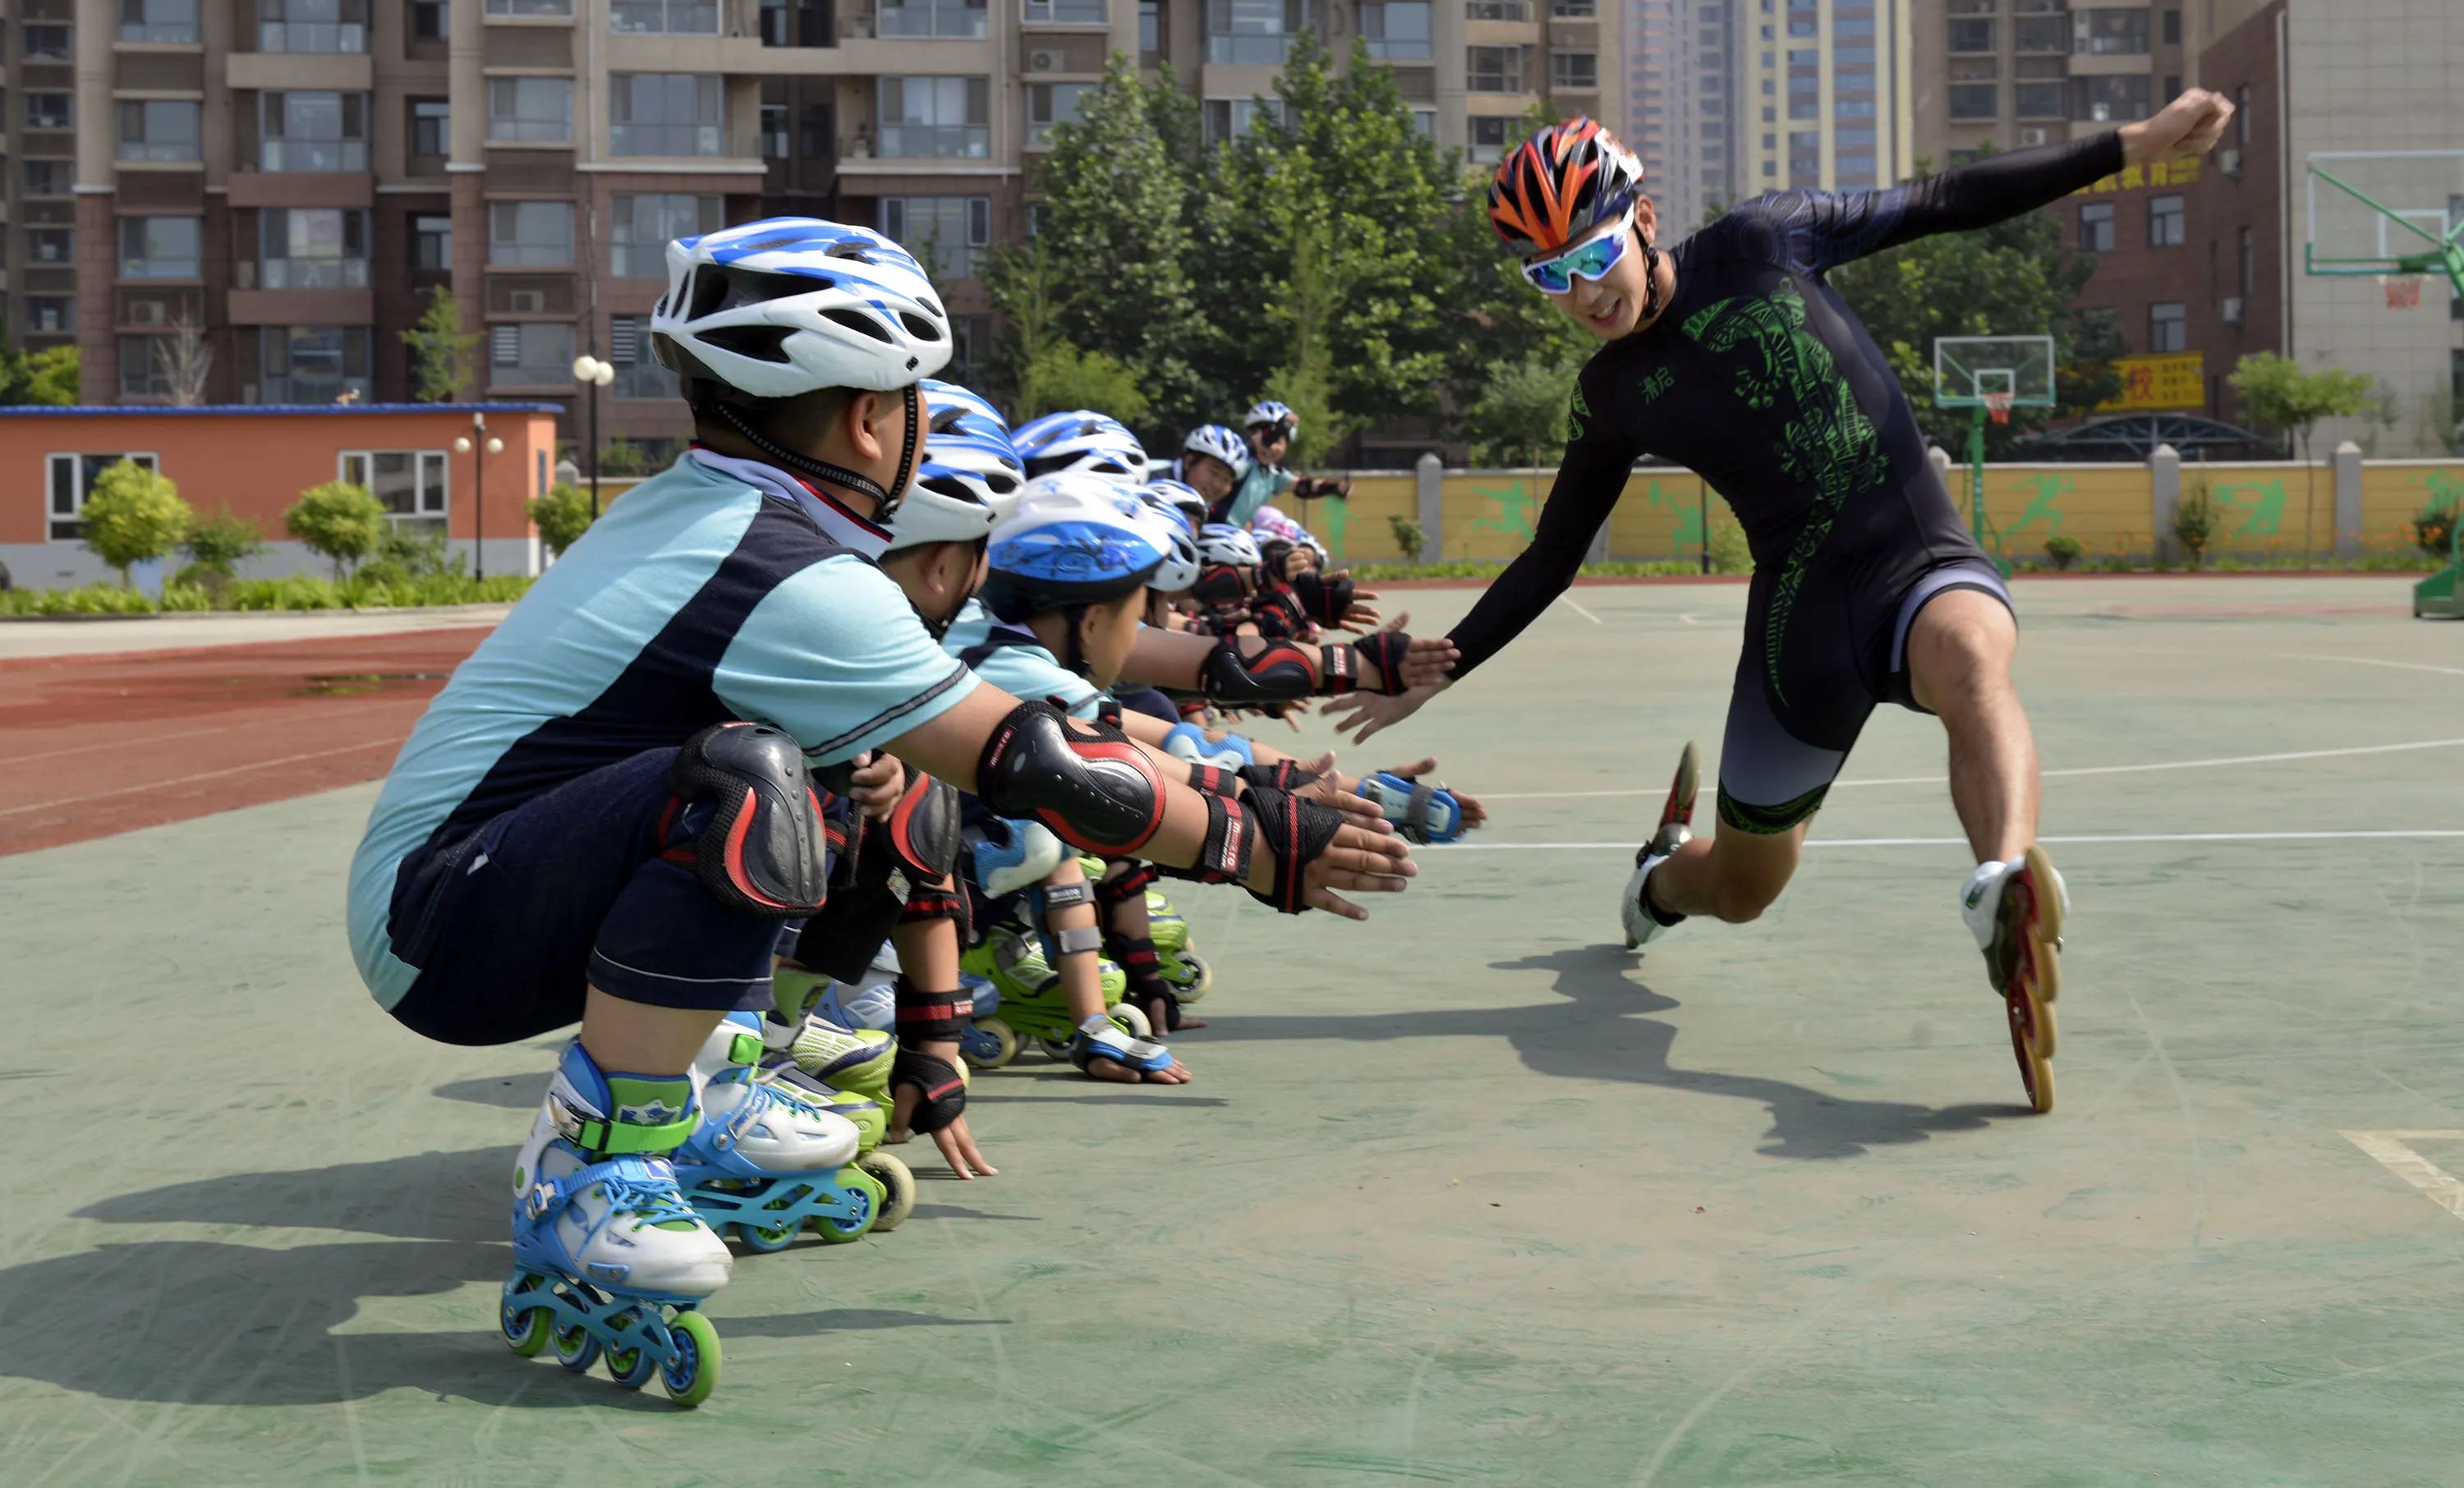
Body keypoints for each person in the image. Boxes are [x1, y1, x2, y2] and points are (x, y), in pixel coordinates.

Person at [347, 216, 1417, 1396]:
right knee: (746, 780)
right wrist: (1249, 843)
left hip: (497, 885)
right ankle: (589, 1167)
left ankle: (699, 1084)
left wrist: (1245, 796)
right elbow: (1028, 759)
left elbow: (1011, 743)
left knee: (865, 783)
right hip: (439, 923)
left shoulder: (731, 521)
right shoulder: (781, 568)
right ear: (870, 417)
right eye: (916, 397)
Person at [1329, 92, 2238, 1114]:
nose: (1581, 294)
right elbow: (1553, 556)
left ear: (1642, 218)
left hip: (1911, 555)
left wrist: (2134, 146)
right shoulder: (1612, 395)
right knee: (1744, 891)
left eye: (1590, 257)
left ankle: (2002, 884)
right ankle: (1661, 879)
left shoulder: (1767, 242)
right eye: (1549, 277)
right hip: (1801, 621)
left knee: (1971, 655)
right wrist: (1440, 667)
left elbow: (1946, 199)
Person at [1225, 401, 1354, 528]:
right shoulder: (1240, 460)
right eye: (1269, 439)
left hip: (1235, 538)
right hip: (1214, 528)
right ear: (1251, 435)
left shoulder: (1272, 474)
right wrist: (1281, 426)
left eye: (1279, 441)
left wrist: (1332, 488)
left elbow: (1303, 486)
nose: (1272, 447)